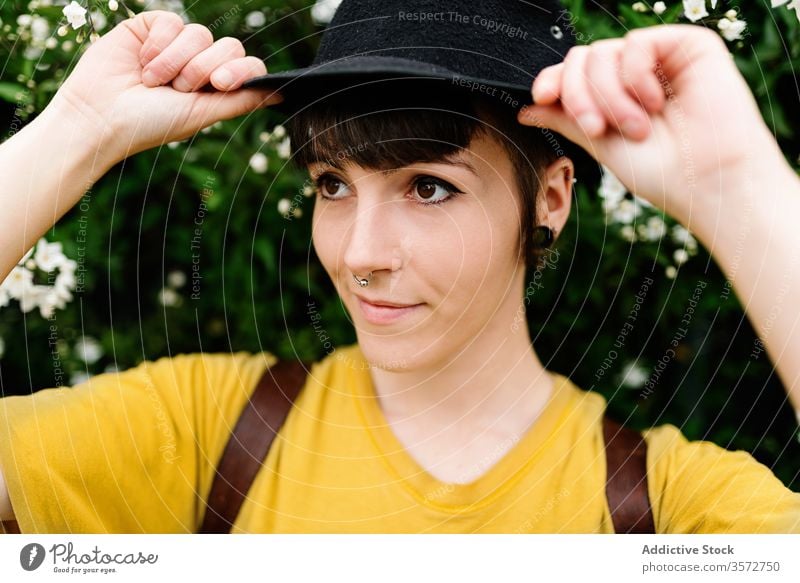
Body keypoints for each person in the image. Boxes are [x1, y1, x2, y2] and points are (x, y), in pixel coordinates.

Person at [1, 2, 799, 534]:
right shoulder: (208, 431)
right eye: (333, 185)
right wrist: (76, 131)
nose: (359, 254)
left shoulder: (667, 510)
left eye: (428, 187)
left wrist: (740, 190)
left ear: (551, 197)